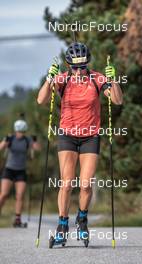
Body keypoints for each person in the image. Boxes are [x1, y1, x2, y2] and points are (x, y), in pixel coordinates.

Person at [37, 42, 123, 243]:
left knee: (85, 185)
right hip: (67, 135)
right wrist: (49, 78)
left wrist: (114, 80)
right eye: (74, 67)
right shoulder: (63, 79)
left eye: (82, 66)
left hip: (90, 136)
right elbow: (41, 100)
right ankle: (62, 224)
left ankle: (82, 219)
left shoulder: (97, 78)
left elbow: (117, 100)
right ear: (69, 65)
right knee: (66, 183)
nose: (78, 71)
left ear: (87, 64)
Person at [0, 119, 40, 227]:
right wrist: (5, 140)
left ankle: (17, 219)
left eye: (22, 132)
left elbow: (37, 149)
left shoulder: (27, 140)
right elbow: (1, 147)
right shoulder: (11, 138)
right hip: (9, 169)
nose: (20, 134)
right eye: (19, 131)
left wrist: (35, 141)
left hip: (21, 171)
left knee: (20, 195)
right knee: (3, 194)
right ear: (15, 130)